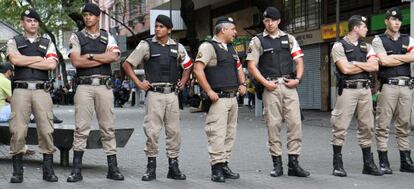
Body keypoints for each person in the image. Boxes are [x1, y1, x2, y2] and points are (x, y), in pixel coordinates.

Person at [123, 14, 192, 181]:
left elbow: (188, 65)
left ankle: (173, 167)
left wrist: (183, 82)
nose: (158, 29)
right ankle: (151, 168)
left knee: (174, 132)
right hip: (155, 95)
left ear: (169, 30)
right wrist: (139, 83)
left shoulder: (177, 46)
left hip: (172, 95)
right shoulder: (146, 45)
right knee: (152, 131)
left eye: (162, 26)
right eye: (157, 26)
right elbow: (127, 64)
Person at [246, 6, 310, 178]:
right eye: (266, 20)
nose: (269, 23)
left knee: (295, 124)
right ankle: (277, 164)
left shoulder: (289, 38)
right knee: (273, 125)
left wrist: (298, 79)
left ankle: (294, 164)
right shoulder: (258, 40)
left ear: (279, 21)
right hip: (271, 87)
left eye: (272, 20)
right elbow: (251, 65)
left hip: (289, 86)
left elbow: (299, 60)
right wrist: (265, 83)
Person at [66, 3, 124, 182]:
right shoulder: (77, 36)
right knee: (81, 128)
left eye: (91, 15)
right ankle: (76, 169)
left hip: (104, 87)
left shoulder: (108, 37)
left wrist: (90, 56)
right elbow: (76, 61)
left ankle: (112, 168)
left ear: (98, 17)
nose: (87, 17)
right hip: (84, 86)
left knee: (108, 127)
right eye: (85, 15)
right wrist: (101, 58)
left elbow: (114, 57)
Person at [7, 9, 59, 183]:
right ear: (22, 22)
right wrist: (39, 59)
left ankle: (48, 170)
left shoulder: (47, 41)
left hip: (41, 90)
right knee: (18, 130)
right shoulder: (14, 41)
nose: (33, 24)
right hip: (20, 90)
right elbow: (15, 60)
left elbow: (51, 64)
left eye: (35, 21)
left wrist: (27, 59)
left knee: (46, 130)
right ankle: (17, 171)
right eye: (29, 21)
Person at [194, 17, 246, 182]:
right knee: (216, 134)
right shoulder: (208, 46)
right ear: (223, 30)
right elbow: (198, 69)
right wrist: (209, 90)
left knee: (230, 134)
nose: (235, 32)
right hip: (218, 99)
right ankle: (216, 168)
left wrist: (243, 83)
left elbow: (238, 67)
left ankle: (224, 164)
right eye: (233, 29)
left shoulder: (231, 48)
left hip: (232, 98)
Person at [330, 15, 382, 177]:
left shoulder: (367, 46)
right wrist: (365, 66)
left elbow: (375, 66)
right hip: (348, 89)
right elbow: (345, 69)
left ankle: (368, 164)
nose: (367, 29)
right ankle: (337, 165)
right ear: (355, 28)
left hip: (365, 90)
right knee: (340, 126)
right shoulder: (339, 46)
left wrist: (357, 64)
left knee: (367, 126)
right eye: (364, 26)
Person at [372, 7, 414, 173]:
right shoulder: (378, 40)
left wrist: (392, 59)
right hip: (388, 86)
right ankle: (383, 160)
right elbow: (383, 61)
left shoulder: (408, 38)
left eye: (399, 20)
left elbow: (413, 57)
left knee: (404, 124)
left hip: (406, 87)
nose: (397, 22)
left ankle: (406, 160)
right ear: (386, 21)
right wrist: (404, 59)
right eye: (393, 19)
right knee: (383, 124)